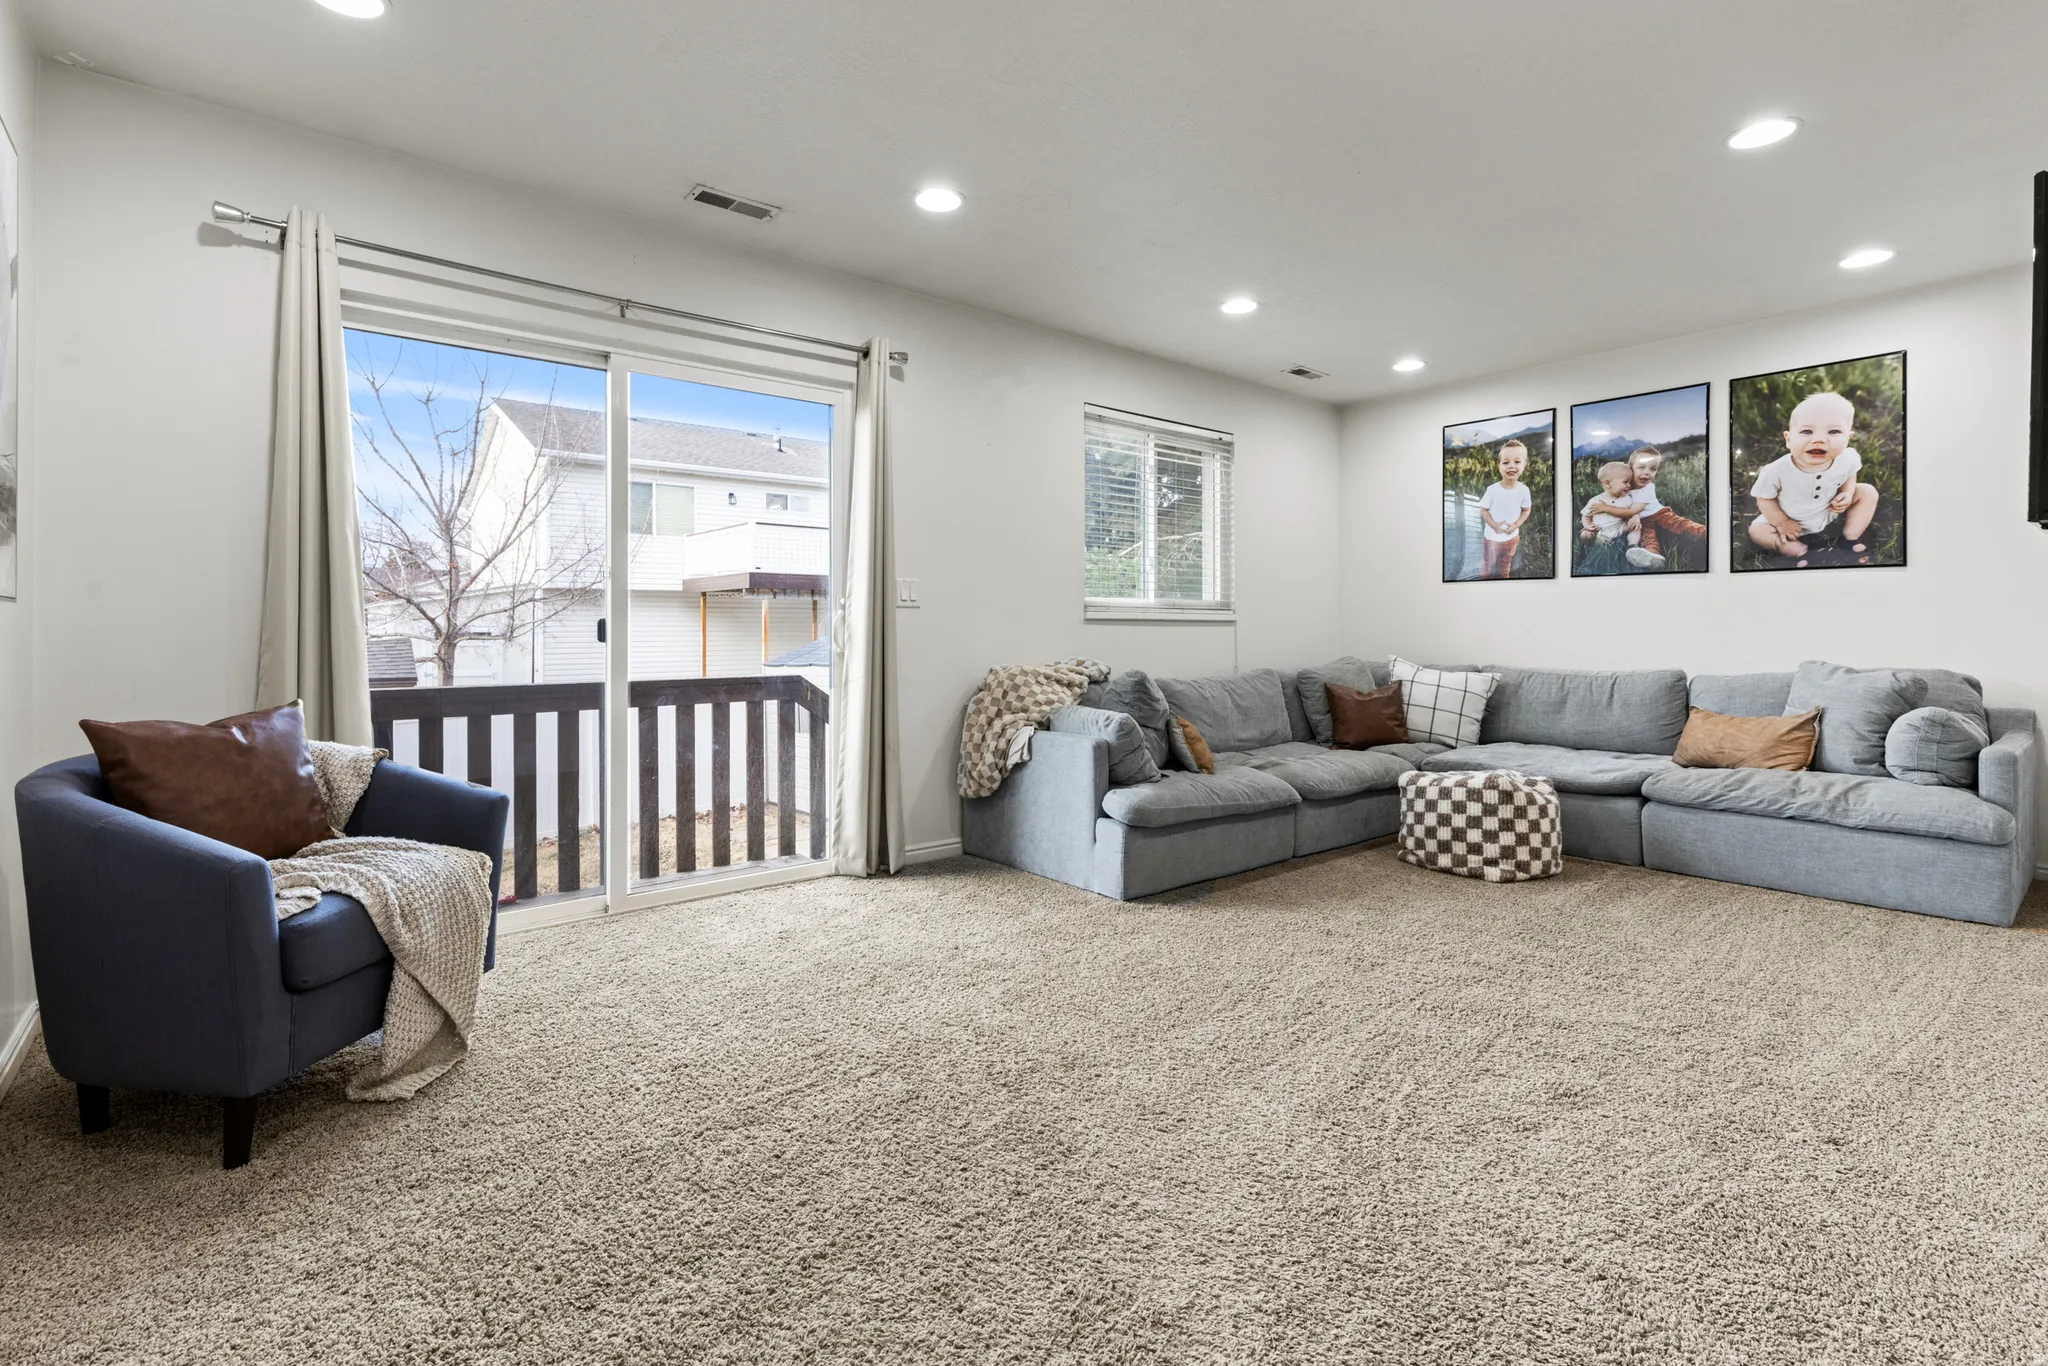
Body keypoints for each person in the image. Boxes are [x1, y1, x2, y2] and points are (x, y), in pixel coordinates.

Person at [1746, 391, 1881, 567]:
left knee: (1867, 492)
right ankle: (1799, 550)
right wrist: (1782, 522)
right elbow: (1764, 498)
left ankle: (1850, 537)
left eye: (1833, 431)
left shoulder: (1848, 458)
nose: (1818, 440)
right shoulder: (1776, 470)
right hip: (1791, 519)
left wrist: (1847, 494)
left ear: (1848, 439)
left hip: (1829, 510)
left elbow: (1850, 473)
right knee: (1757, 530)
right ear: (1788, 439)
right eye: (1807, 431)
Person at [1625, 445, 1706, 563]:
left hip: (1659, 513)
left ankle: (1705, 532)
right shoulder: (1624, 488)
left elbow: (1634, 509)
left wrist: (1634, 515)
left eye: (1652, 469)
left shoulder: (1648, 487)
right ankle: (1652, 557)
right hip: (1644, 520)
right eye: (1641, 467)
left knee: (1681, 524)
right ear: (1630, 468)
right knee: (1647, 537)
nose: (1647, 472)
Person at [1579, 460, 1662, 568]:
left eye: (1630, 482)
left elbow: (1631, 512)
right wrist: (1587, 526)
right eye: (1625, 482)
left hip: (1620, 528)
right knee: (1585, 533)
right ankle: (1588, 545)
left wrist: (1635, 517)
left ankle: (1632, 546)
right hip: (1601, 532)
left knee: (1636, 527)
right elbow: (1586, 515)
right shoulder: (1595, 501)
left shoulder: (1626, 499)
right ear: (1607, 483)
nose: (1629, 486)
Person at [1477, 439, 1533, 578]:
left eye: (1517, 462)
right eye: (1506, 462)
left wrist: (1516, 525)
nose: (1511, 466)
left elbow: (1526, 510)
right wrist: (1495, 526)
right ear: (1499, 466)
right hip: (1491, 538)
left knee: (1505, 563)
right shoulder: (1492, 490)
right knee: (1487, 564)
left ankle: (1504, 581)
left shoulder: (1524, 490)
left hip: (1511, 538)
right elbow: (1483, 510)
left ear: (1524, 465)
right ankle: (1481, 581)